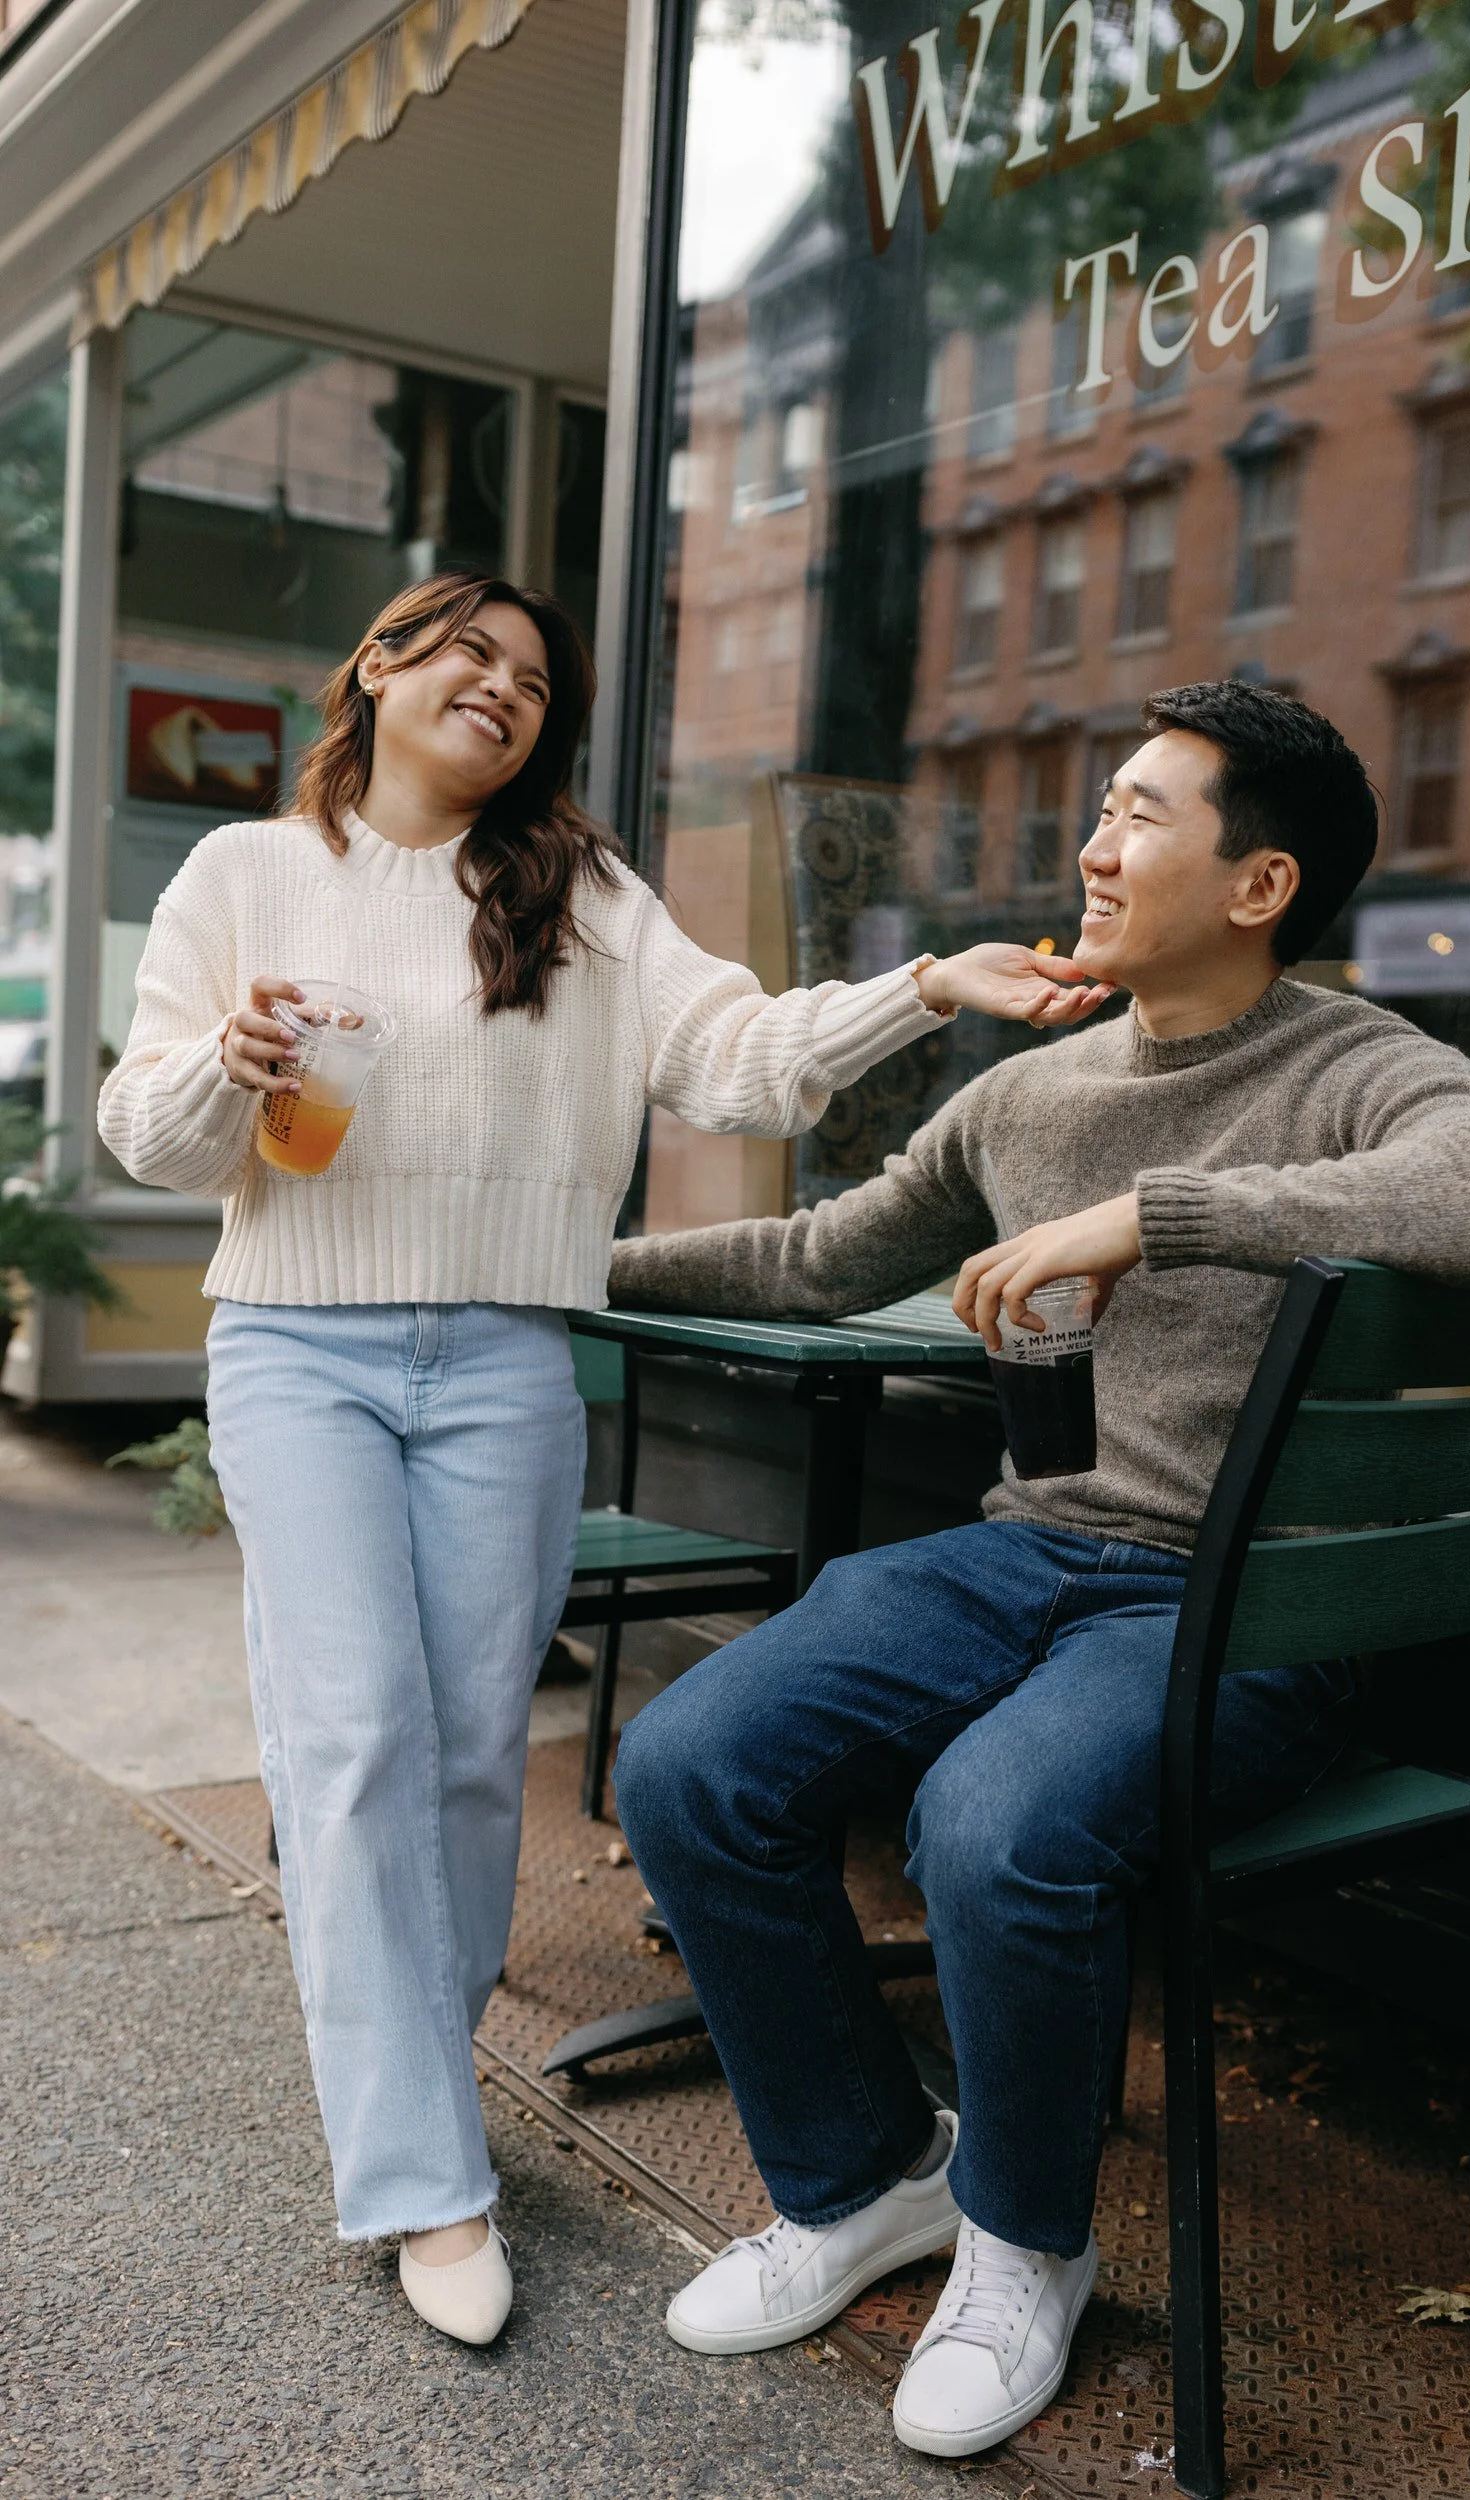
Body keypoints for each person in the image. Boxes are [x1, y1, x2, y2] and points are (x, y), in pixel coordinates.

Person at [95, 569, 1105, 2347]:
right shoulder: (242, 872)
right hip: (299, 1352)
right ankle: (425, 2177)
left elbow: (741, 1069)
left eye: (534, 680)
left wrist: (928, 982)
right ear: (382, 666)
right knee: (349, 1740)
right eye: (469, 654)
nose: (502, 688)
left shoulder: (575, 892)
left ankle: (422, 2033)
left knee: (478, 1741)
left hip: (500, 1355)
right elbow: (153, 1131)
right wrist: (227, 1069)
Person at [605, 680, 1470, 2459]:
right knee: (687, 1759)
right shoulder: (1029, 1091)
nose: (1091, 845)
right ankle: (862, 2180)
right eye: (1100, 809)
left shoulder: (1360, 1064)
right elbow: (821, 1259)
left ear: (1260, 880)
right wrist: (572, 1261)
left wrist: (1168, 1211)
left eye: (1138, 813)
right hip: (1020, 1556)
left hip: (1240, 1600)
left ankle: (1022, 2244)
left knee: (994, 1821)